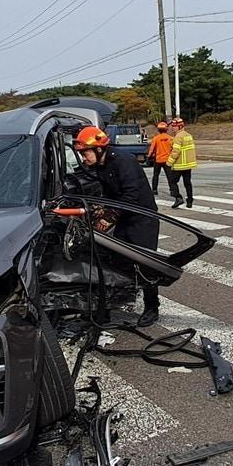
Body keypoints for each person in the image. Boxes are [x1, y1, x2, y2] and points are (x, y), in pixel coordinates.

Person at [73, 125, 161, 328]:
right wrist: (100, 208)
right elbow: (111, 194)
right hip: (124, 218)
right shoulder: (100, 166)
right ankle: (108, 309)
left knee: (146, 264)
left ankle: (151, 307)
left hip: (142, 219)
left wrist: (109, 217)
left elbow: (131, 195)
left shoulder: (124, 161)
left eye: (85, 153)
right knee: (117, 263)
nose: (83, 158)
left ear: (98, 149)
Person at [166, 117, 197, 209]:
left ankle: (178, 198)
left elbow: (176, 152)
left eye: (174, 126)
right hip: (188, 164)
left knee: (172, 181)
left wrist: (169, 163)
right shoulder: (188, 135)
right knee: (187, 183)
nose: (172, 128)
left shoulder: (178, 137)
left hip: (180, 165)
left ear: (179, 127)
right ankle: (190, 201)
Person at [145, 121, 173, 195]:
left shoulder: (156, 138)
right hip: (167, 160)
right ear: (166, 129)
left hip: (158, 160)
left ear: (158, 130)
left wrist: (148, 157)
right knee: (169, 176)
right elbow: (173, 148)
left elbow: (152, 149)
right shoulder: (170, 138)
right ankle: (172, 190)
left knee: (156, 175)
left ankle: (154, 190)